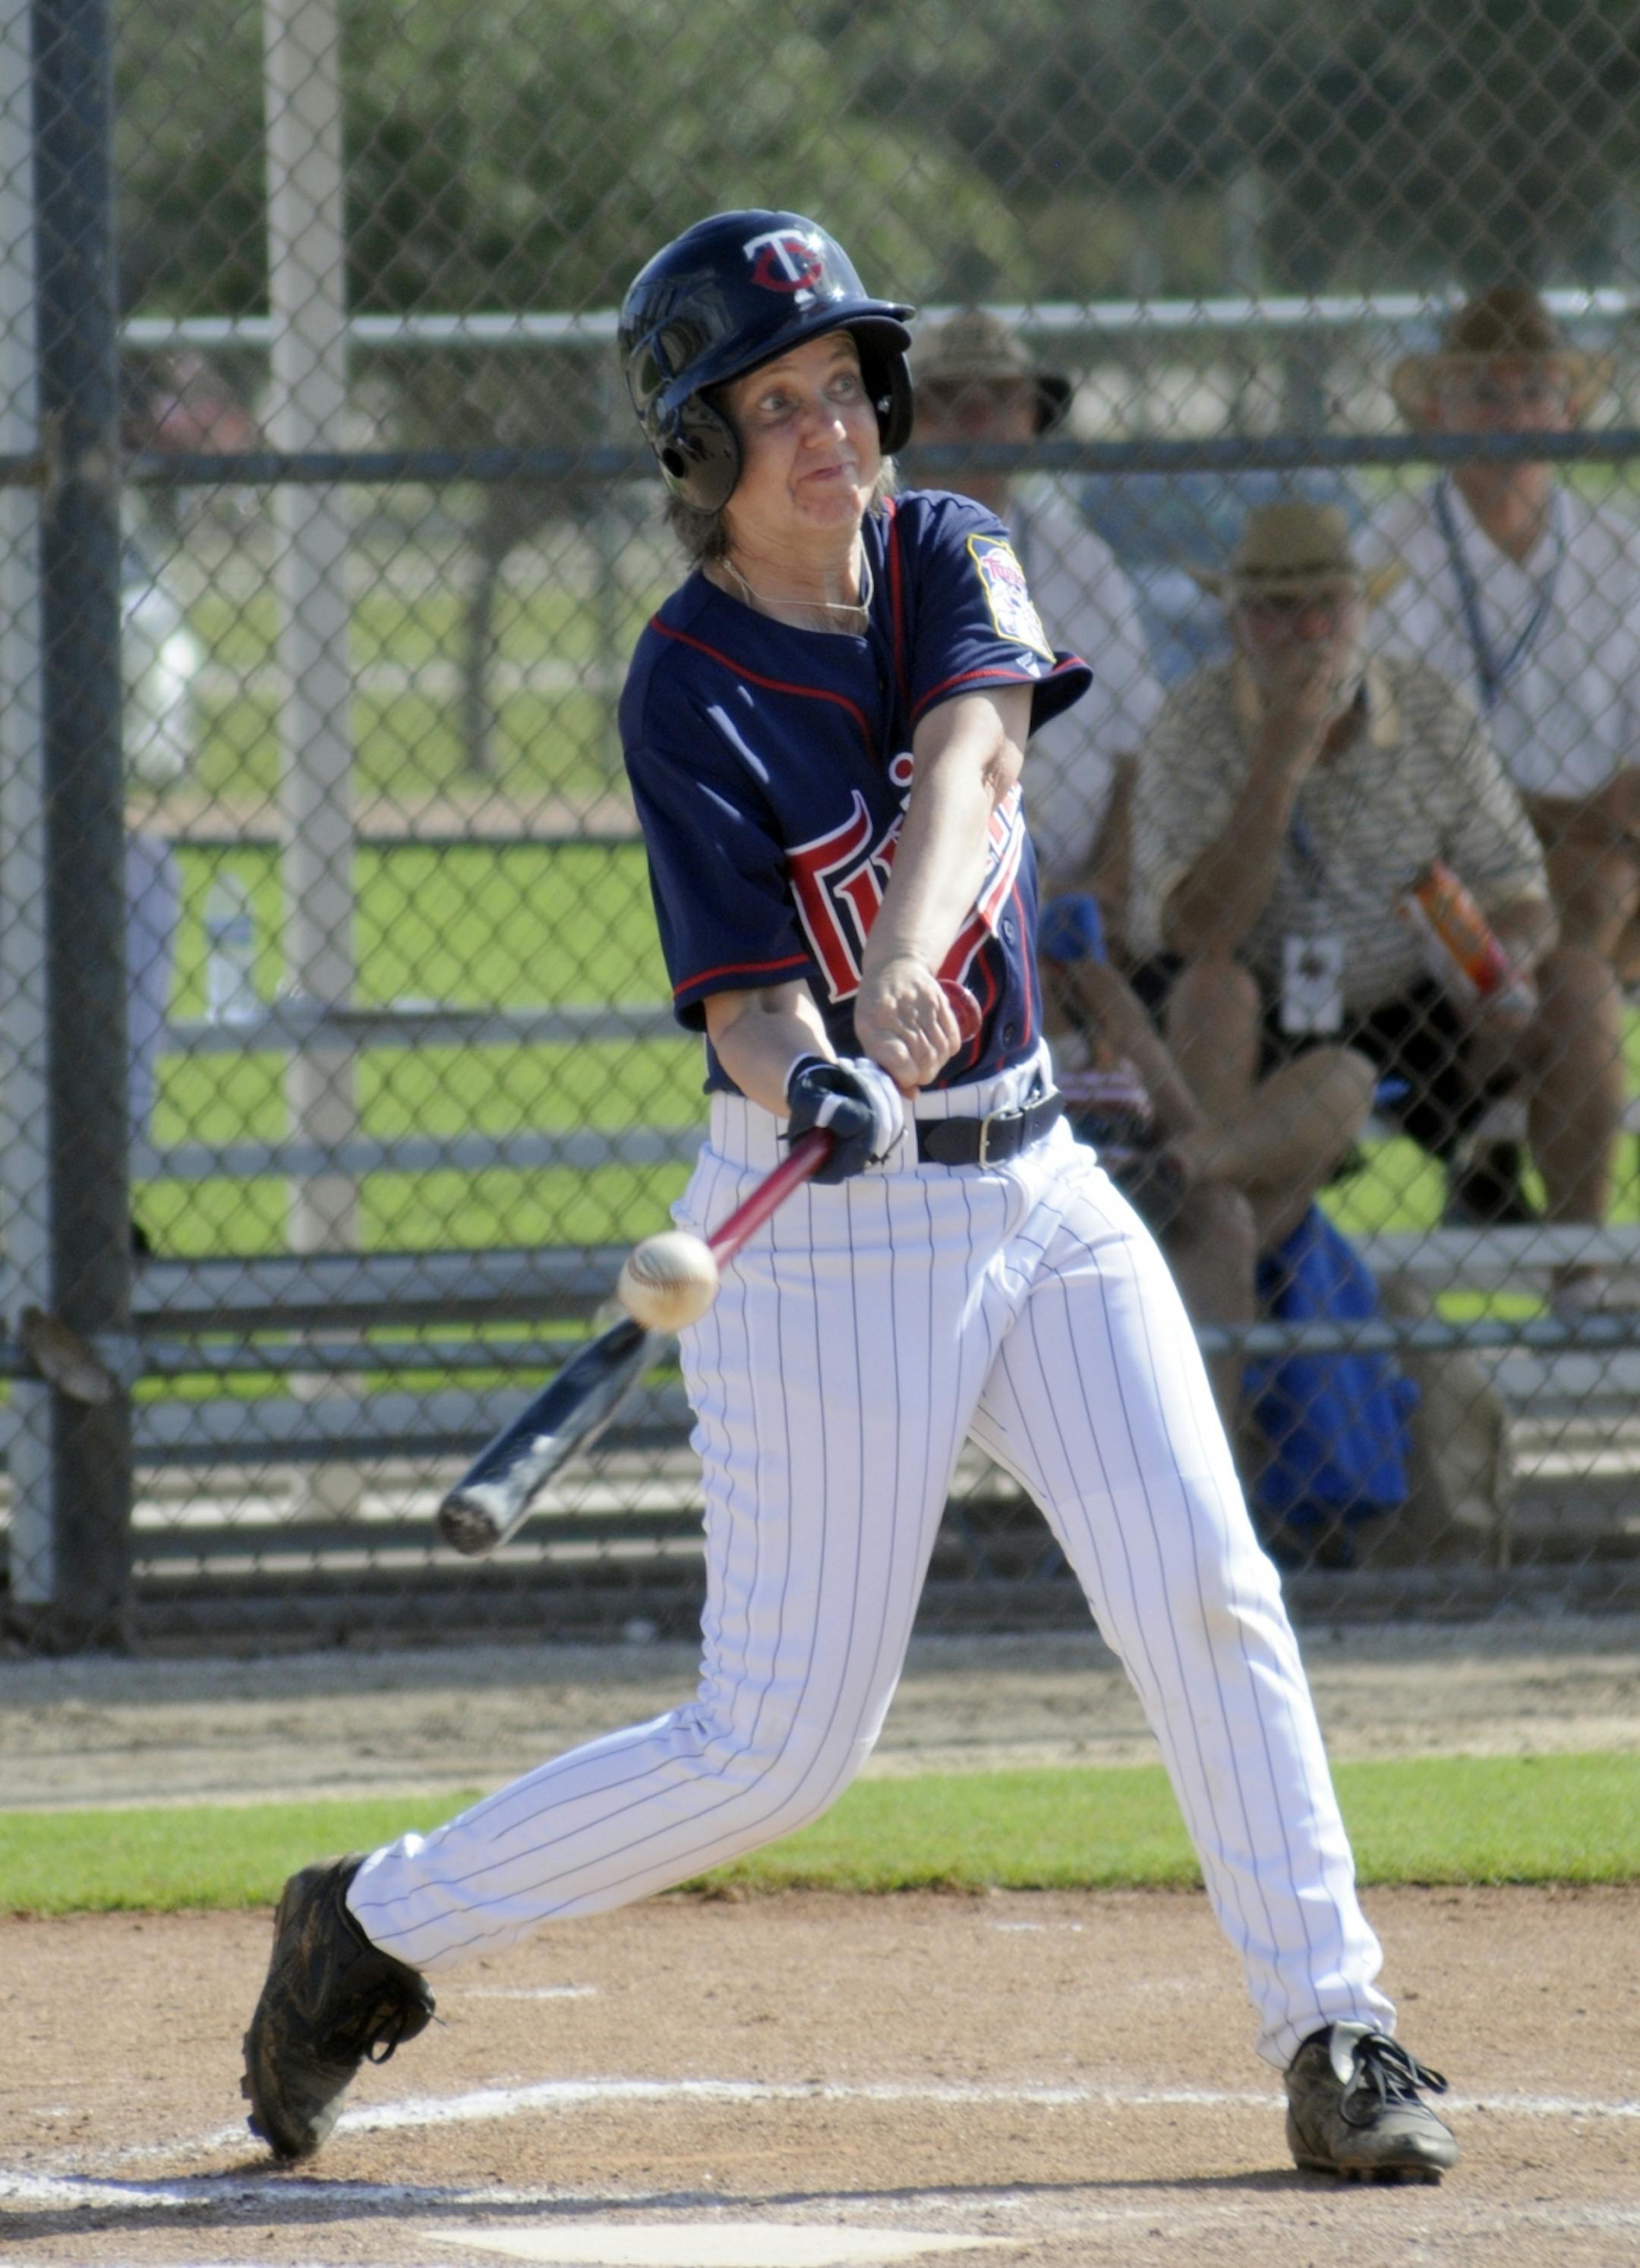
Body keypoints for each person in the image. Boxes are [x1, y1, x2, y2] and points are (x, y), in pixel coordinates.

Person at [239, 211, 1457, 2185]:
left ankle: (1340, 2026)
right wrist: (812, 1055)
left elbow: (972, 755)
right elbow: (737, 996)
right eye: (777, 404)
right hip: (828, 1229)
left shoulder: (948, 547)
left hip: (1037, 1178)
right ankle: (369, 1924)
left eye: (843, 390)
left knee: (1204, 1585)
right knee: (780, 1748)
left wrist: (899, 963)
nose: (832, 433)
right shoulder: (685, 688)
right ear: (698, 446)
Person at [1130, 498, 1621, 1323]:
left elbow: (1520, 890)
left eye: (1331, 603)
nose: (1310, 628)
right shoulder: (1194, 721)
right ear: (1238, 621)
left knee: (1580, 984)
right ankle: (1211, 1283)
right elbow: (1196, 930)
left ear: (1364, 611)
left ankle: (1580, 1286)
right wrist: (1280, 765)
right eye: (1278, 610)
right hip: (1262, 991)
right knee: (1215, 989)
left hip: (1416, 997)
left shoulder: (1428, 707)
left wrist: (1497, 965)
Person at [1370, 286, 1636, 1222]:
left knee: (1598, 891)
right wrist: (1572, 816)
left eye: (1533, 391)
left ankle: (1491, 1132)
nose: (1512, 416)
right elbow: (1400, 791)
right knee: (1580, 948)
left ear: (1569, 410)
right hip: (1434, 881)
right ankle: (1571, 1255)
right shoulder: (1392, 553)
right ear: (1437, 412)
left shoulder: (1623, 551)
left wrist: (1550, 821)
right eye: (1483, 393)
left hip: (1596, 881)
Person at [907, 307, 1162, 937]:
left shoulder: (1083, 562)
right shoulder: (874, 555)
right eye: (945, 400)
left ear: (1028, 420)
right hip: (923, 895)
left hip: (1080, 899)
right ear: (905, 423)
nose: (972, 418)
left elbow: (1138, 750)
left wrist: (1102, 890)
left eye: (996, 399)